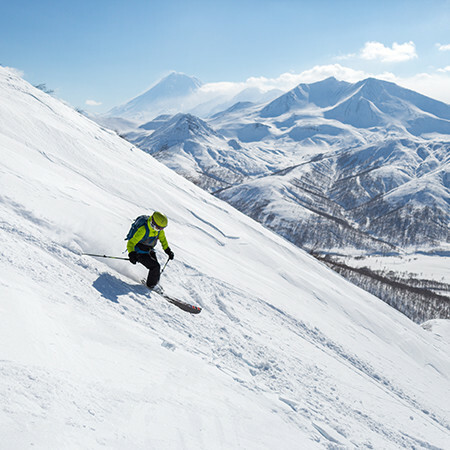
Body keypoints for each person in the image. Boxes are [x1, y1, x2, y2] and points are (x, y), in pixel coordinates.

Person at [127, 211, 174, 288]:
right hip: (138, 252)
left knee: (156, 267)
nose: (159, 229)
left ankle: (153, 283)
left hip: (149, 250)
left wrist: (168, 250)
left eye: (162, 228)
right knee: (155, 267)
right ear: (153, 223)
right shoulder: (143, 230)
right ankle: (151, 285)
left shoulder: (159, 231)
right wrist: (131, 253)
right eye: (158, 227)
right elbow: (131, 243)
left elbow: (163, 240)